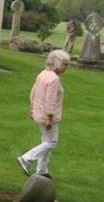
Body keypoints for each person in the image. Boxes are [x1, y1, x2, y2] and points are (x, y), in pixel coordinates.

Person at [16, 49, 70, 179]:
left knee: (46, 141)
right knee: (52, 142)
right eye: (65, 64)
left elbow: (33, 93)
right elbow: (50, 99)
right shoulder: (54, 79)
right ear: (57, 63)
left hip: (39, 113)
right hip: (47, 116)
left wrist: (32, 109)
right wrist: (50, 118)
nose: (66, 67)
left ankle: (42, 170)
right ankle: (26, 158)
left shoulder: (43, 74)